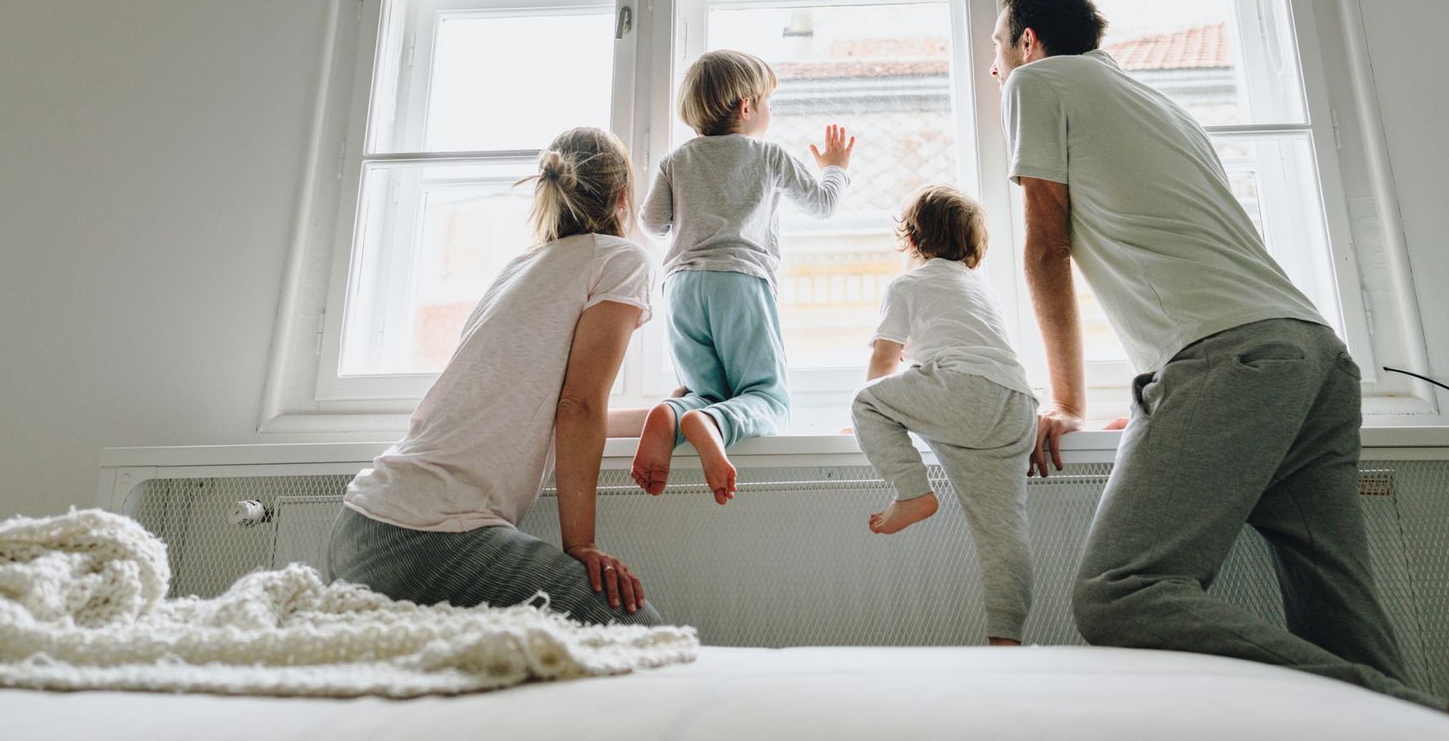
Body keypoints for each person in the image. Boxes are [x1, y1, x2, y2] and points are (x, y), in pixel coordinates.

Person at [994, 0, 1449, 737]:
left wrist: (1065, 399)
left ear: (1027, 41)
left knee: (1119, 591)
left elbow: (1046, 243)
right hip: (1311, 354)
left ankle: (1437, 718)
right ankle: (1434, 733)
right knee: (1337, 608)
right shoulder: (1162, 106)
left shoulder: (1038, 82)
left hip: (1231, 359)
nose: (995, 70)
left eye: (996, 51)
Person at [325, 127, 659, 625]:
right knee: (639, 630)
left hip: (359, 526)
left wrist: (661, 414)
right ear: (622, 199)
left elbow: (551, 405)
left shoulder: (523, 267)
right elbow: (578, 406)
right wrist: (582, 544)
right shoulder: (619, 258)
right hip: (428, 536)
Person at [631, 48, 854, 504]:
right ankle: (711, 424)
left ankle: (676, 415)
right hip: (740, 282)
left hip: (682, 289)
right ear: (746, 107)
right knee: (768, 399)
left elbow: (652, 224)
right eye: (767, 102)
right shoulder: (768, 156)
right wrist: (834, 170)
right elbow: (822, 204)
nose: (768, 112)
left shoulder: (676, 161)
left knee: (706, 391)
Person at [851, 185, 1038, 646]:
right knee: (1003, 533)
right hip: (1017, 405)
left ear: (911, 240)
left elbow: (885, 358)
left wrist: (874, 410)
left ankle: (914, 493)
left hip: (965, 391)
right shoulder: (980, 289)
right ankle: (1006, 637)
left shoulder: (908, 283)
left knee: (865, 402)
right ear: (972, 250)